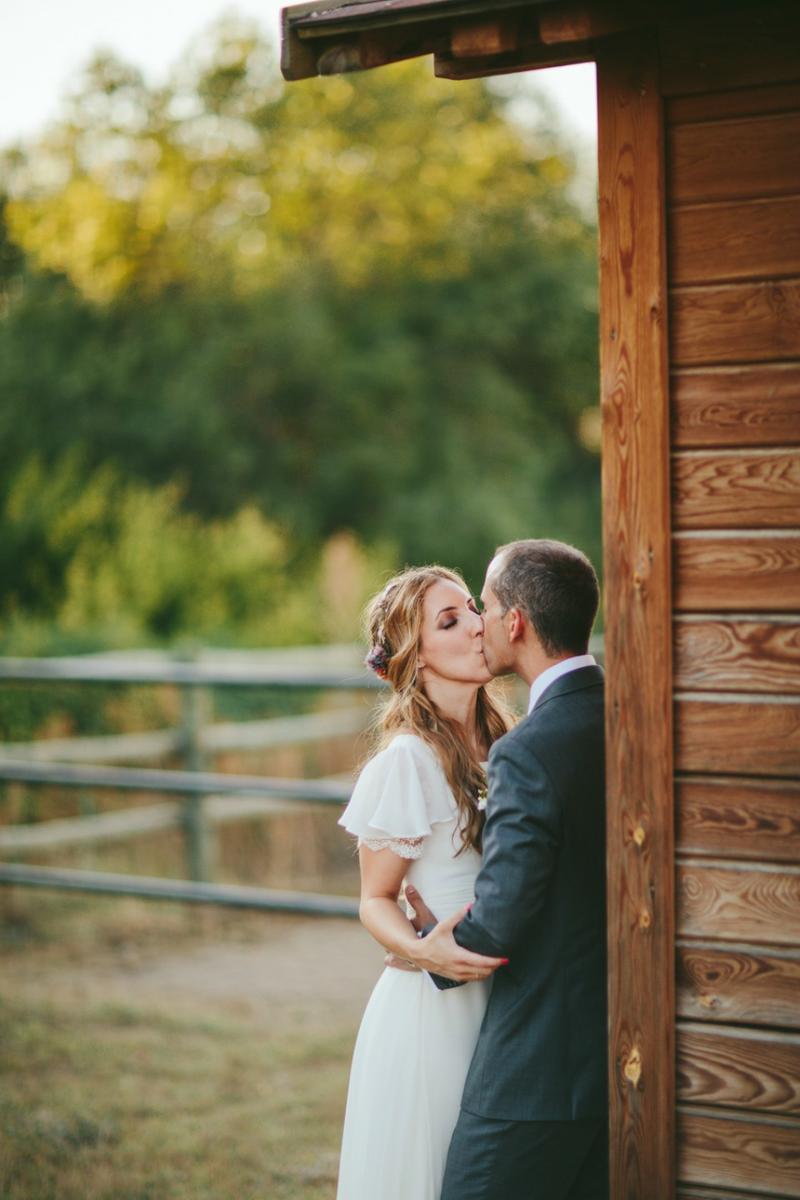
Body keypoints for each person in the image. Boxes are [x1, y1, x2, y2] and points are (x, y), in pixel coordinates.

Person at [401, 538, 608, 1200]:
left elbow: (500, 924)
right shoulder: (627, 717)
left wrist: (428, 944)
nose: (479, 621)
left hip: (536, 1069)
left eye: (483, 607)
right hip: (618, 1053)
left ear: (514, 623)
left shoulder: (526, 750)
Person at [335, 565, 513, 1200]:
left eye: (471, 607)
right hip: (431, 1013)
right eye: (450, 620)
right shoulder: (408, 760)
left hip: (507, 1001)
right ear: (415, 658)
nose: (476, 622)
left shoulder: (510, 744)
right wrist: (421, 950)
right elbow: (375, 900)